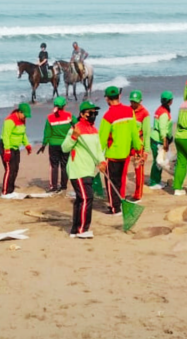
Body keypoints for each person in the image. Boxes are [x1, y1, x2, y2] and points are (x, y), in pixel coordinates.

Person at [62, 101, 106, 239]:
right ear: (82, 114)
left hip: (89, 170)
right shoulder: (75, 128)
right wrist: (73, 136)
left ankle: (75, 230)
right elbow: (65, 148)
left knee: (81, 200)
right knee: (87, 197)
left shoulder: (94, 130)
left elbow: (98, 149)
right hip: (78, 169)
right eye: (90, 113)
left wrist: (102, 161)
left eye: (95, 113)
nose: (93, 115)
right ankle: (82, 230)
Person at [98, 86, 143, 215]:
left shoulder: (108, 116)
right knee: (120, 180)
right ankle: (120, 203)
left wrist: (98, 157)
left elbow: (102, 140)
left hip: (112, 154)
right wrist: (137, 149)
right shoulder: (130, 111)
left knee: (111, 182)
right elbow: (135, 133)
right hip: (125, 153)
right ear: (119, 96)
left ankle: (115, 208)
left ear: (107, 99)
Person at [38, 96, 73, 193]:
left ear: (54, 105)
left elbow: (47, 133)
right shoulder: (69, 116)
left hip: (53, 145)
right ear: (65, 105)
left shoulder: (50, 117)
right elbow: (77, 125)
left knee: (54, 166)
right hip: (66, 144)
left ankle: (53, 187)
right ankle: (63, 186)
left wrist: (44, 144)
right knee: (64, 165)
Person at [0, 103, 33, 198]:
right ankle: (5, 192)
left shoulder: (22, 120)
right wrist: (7, 150)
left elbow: (23, 134)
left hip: (16, 147)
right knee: (9, 169)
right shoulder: (10, 120)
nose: (25, 117)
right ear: (19, 112)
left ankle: (11, 190)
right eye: (25, 115)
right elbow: (6, 136)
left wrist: (27, 145)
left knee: (15, 169)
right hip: (6, 146)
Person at [148, 91, 174, 189]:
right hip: (158, 140)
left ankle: (157, 180)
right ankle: (154, 182)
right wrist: (164, 141)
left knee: (160, 160)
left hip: (156, 138)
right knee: (158, 161)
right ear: (170, 101)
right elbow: (163, 128)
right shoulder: (163, 113)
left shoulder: (161, 109)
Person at [128, 90, 151, 202]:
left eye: (135, 102)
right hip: (127, 144)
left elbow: (147, 133)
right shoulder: (127, 111)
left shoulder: (144, 113)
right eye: (132, 102)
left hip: (139, 145)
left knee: (138, 170)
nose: (133, 104)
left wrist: (146, 150)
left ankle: (138, 194)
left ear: (140, 101)